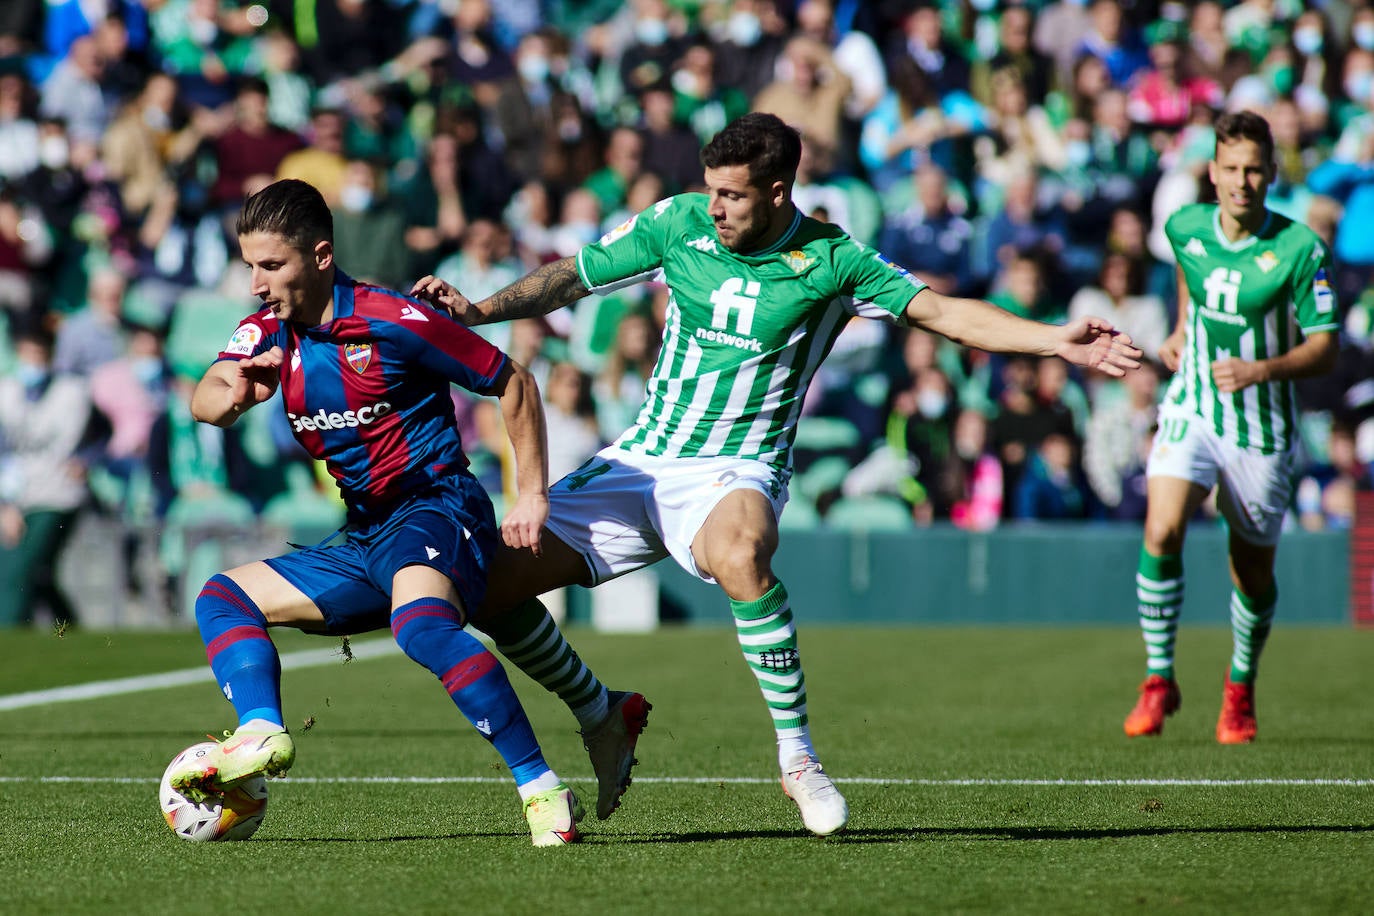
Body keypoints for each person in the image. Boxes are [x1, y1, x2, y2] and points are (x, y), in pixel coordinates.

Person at [410, 112, 1142, 836]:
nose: (715, 208)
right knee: (481, 584)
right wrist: (479, 311)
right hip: (639, 459)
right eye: (710, 190)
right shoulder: (677, 222)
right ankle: (602, 711)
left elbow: (944, 314)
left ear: (779, 191)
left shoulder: (832, 260)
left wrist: (1054, 342)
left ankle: (798, 760)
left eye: (731, 195)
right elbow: (573, 278)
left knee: (741, 555)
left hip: (737, 468)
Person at [164, 179, 585, 847]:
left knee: (420, 629)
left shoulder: (392, 319)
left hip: (438, 507)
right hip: (365, 532)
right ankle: (262, 732)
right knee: (221, 597)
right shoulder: (267, 331)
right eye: (249, 264)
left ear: (320, 255)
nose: (255, 282)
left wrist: (531, 492)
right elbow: (204, 399)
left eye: (270, 265)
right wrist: (241, 390)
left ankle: (541, 790)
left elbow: (512, 379)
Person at [1122, 111, 1341, 745]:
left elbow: (1326, 347)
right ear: (1212, 173)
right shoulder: (1184, 226)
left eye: (1254, 169)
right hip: (1192, 404)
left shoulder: (1300, 248)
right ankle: (1159, 678)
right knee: (1161, 527)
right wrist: (1181, 328)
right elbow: (1192, 282)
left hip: (1261, 428)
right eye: (1231, 169)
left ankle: (1240, 685)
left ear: (1271, 173)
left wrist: (1261, 369)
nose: (1242, 181)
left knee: (1251, 572)